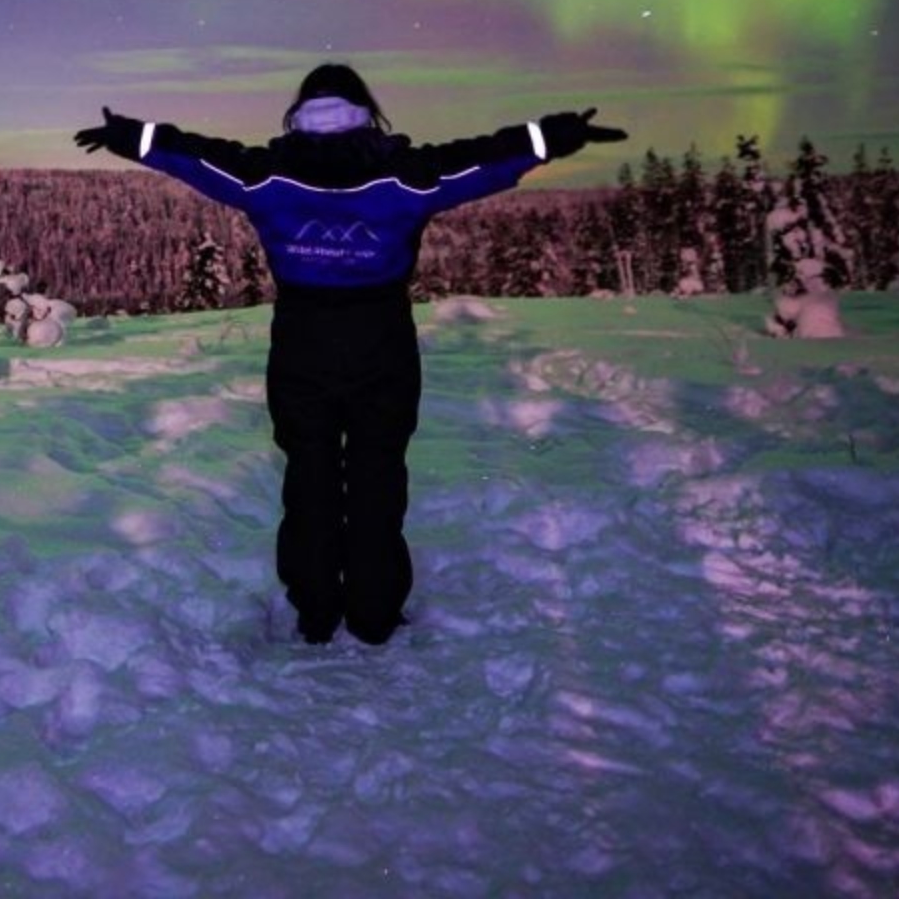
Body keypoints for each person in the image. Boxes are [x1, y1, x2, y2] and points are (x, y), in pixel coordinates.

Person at [75, 63, 625, 647]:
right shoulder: (406, 176)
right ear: (365, 110)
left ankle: (315, 611)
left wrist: (132, 137)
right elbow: (484, 160)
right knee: (378, 475)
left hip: (301, 343)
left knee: (309, 476)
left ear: (300, 113)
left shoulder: (265, 176)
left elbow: (196, 158)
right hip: (381, 340)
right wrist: (551, 136)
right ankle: (374, 613)